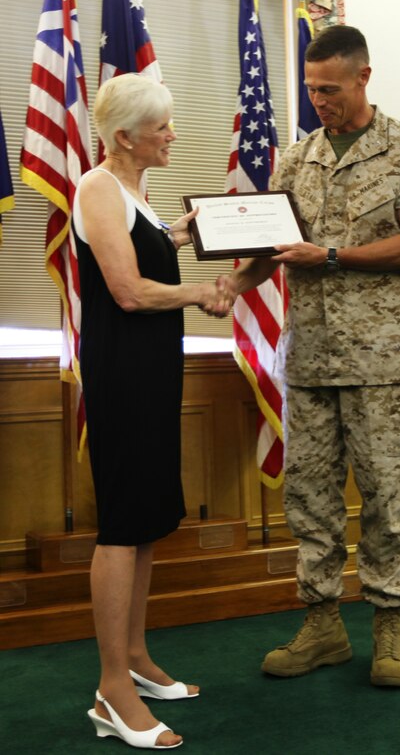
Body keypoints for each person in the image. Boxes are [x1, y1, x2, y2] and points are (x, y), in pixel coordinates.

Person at [220, 25, 400, 688]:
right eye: (313, 89)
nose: (321, 100)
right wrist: (231, 285)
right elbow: (272, 245)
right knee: (310, 499)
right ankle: (322, 626)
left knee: (385, 501)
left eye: (331, 88)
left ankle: (388, 628)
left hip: (383, 359)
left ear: (363, 78)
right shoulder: (295, 158)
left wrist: (334, 256)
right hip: (311, 359)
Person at [73, 73, 232, 749]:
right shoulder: (95, 188)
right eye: (162, 127)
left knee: (145, 522)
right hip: (122, 376)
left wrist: (180, 232)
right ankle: (111, 690)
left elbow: (144, 251)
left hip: (153, 372)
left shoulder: (134, 190)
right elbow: (129, 293)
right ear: (125, 137)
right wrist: (198, 291)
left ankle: (136, 659)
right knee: (120, 527)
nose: (172, 135)